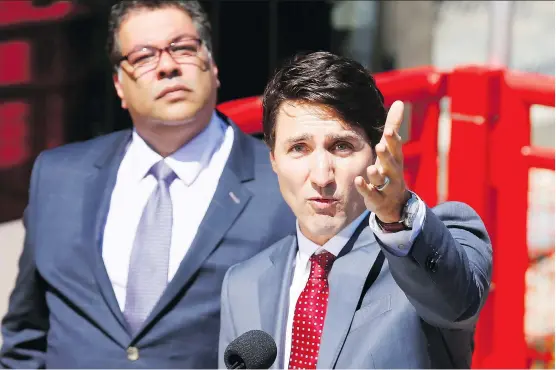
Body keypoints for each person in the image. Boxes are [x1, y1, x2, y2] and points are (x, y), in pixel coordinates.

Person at [0, 1, 295, 368]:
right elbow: (26, 335)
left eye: (183, 48)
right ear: (118, 86)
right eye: (143, 57)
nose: (168, 66)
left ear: (213, 66)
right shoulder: (58, 177)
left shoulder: (284, 183)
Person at [218, 51, 493, 369]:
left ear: (376, 154)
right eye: (299, 149)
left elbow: (456, 304)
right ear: (273, 160)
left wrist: (396, 212)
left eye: (341, 146)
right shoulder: (242, 284)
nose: (322, 176)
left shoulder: (423, 248)